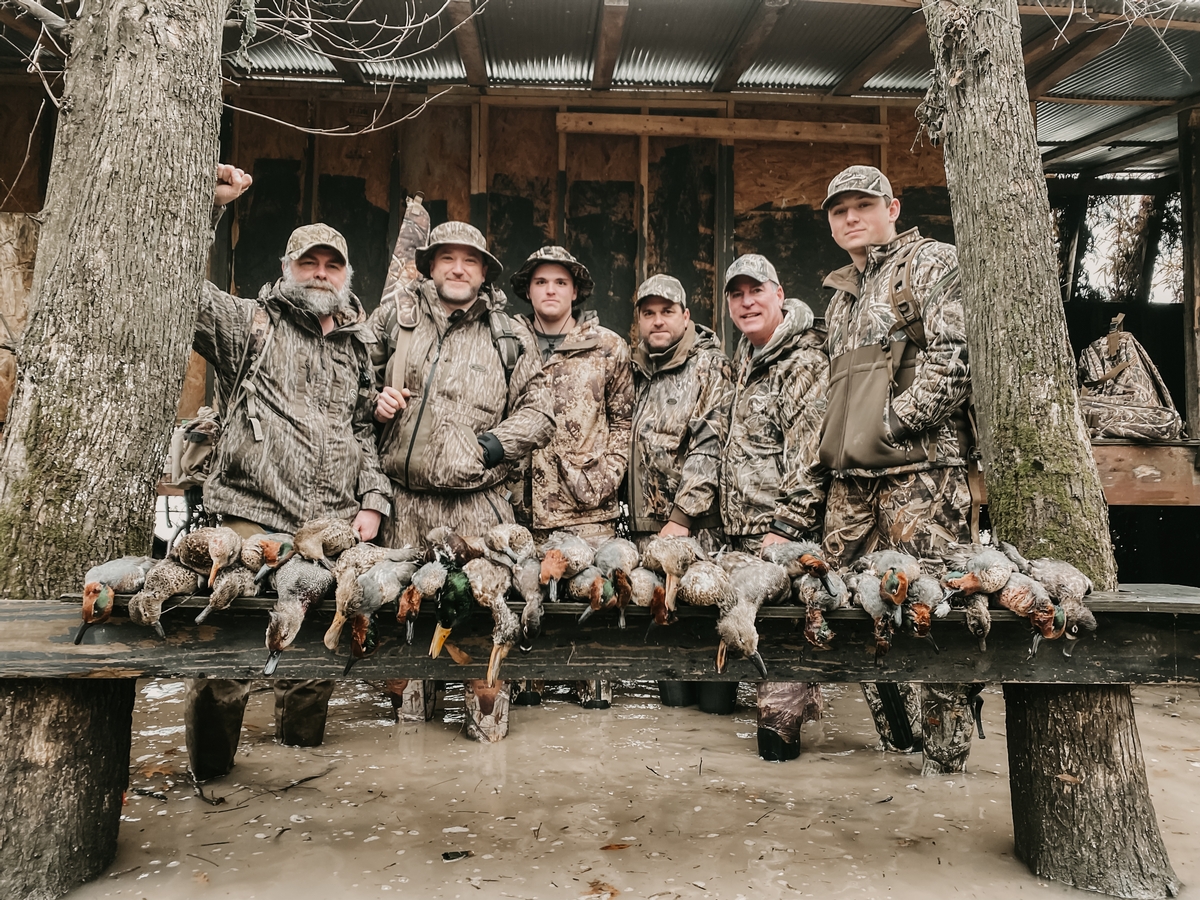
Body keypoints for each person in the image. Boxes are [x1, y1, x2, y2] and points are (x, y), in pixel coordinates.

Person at [184, 164, 392, 780]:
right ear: (287, 269)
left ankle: (297, 773)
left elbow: (362, 430)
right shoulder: (249, 323)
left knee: (313, 654)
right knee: (228, 647)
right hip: (250, 515)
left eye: (331, 265)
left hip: (328, 523)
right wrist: (210, 208)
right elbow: (179, 287)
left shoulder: (358, 346)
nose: (321, 273)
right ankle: (211, 775)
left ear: (346, 275)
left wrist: (372, 499)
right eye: (309, 264)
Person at [818, 164, 978, 775]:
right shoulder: (839, 299)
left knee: (933, 611)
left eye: (863, 205)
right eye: (839, 211)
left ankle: (946, 768)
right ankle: (899, 751)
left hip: (921, 477)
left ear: (892, 207)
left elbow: (957, 359)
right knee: (857, 611)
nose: (850, 217)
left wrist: (891, 423)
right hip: (851, 485)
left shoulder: (932, 263)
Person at [368, 221, 554, 740]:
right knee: (406, 665)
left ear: (484, 272)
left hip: (480, 513)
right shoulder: (395, 319)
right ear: (430, 265)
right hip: (404, 511)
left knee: (483, 649)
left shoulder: (510, 335)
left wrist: (489, 446)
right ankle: (411, 767)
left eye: (469, 260)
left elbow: (541, 412)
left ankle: (488, 768)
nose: (457, 268)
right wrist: (374, 403)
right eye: (446, 257)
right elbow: (350, 384)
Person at [509, 246, 633, 710]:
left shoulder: (608, 346)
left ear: (575, 291)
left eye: (560, 282)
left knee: (591, 612)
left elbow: (624, 421)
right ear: (528, 290)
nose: (550, 290)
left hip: (586, 508)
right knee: (529, 605)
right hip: (521, 508)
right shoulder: (508, 341)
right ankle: (530, 687)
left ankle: (590, 697)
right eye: (541, 282)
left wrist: (606, 475)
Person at [719, 254, 830, 758]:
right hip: (744, 537)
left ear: (779, 294)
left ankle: (788, 776)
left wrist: (787, 527)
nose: (747, 302)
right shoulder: (746, 357)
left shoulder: (803, 361)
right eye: (736, 294)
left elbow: (811, 456)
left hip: (781, 540)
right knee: (757, 660)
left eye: (756, 291)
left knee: (780, 699)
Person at [628, 274, 733, 710]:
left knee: (710, 653)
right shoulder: (633, 370)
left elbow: (711, 445)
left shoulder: (710, 366)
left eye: (667, 311)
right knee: (667, 663)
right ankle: (678, 745)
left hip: (697, 532)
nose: (658, 321)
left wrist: (682, 518)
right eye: (649, 313)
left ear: (686, 316)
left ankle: (713, 732)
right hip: (648, 535)